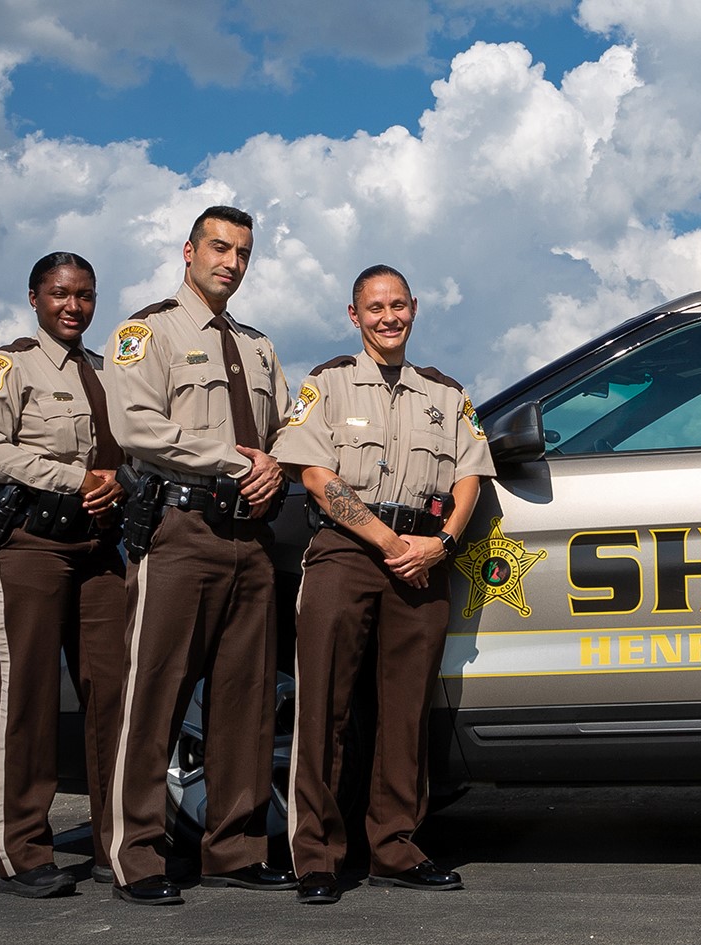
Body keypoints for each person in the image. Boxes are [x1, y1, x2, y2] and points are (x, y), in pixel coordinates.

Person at [274, 265, 494, 905]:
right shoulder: (328, 385)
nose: (388, 318)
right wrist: (387, 541)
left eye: (398, 306)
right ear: (354, 315)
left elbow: (468, 479)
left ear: (415, 309)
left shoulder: (445, 394)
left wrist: (441, 543)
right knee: (325, 709)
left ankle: (396, 848)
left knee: (405, 715)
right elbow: (316, 478)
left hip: (424, 559)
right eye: (375, 308)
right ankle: (316, 856)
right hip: (347, 552)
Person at [101, 205, 296, 905]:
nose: (231, 262)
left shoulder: (260, 345)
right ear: (189, 251)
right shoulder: (145, 332)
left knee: (244, 702)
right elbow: (135, 426)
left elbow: (282, 430)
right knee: (152, 697)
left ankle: (234, 848)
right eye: (219, 248)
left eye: (243, 252)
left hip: (249, 538)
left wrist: (274, 465)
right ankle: (138, 855)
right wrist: (234, 460)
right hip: (180, 532)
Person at [0, 252, 129, 898]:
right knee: (26, 699)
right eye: (60, 293)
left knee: (115, 695)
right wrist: (72, 479)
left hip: (96, 552)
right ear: (34, 298)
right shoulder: (8, 365)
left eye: (84, 295)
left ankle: (122, 842)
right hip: (25, 546)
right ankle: (23, 850)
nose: (73, 306)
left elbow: (133, 451)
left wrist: (120, 480)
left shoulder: (107, 375)